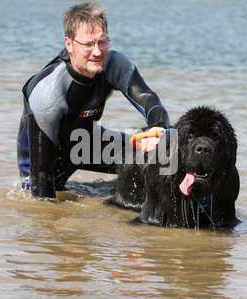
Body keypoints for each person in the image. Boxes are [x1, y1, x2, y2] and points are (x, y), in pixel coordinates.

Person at [17, 2, 170, 200]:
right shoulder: (48, 92)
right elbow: (40, 173)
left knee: (168, 151)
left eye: (102, 42)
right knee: (46, 208)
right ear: (69, 44)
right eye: (88, 44)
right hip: (43, 163)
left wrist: (157, 129)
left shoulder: (114, 64)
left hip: (84, 143)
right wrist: (50, 225)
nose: (97, 52)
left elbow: (149, 101)